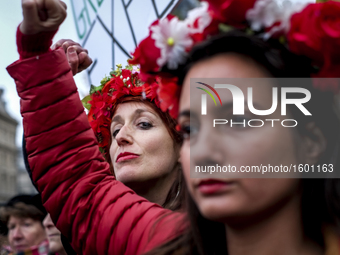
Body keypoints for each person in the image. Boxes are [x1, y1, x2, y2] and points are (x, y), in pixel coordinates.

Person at [7, 0, 340, 254]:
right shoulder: (165, 242)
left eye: (238, 120)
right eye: (192, 129)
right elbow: (79, 186)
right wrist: (37, 55)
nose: (204, 150)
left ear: (310, 142)